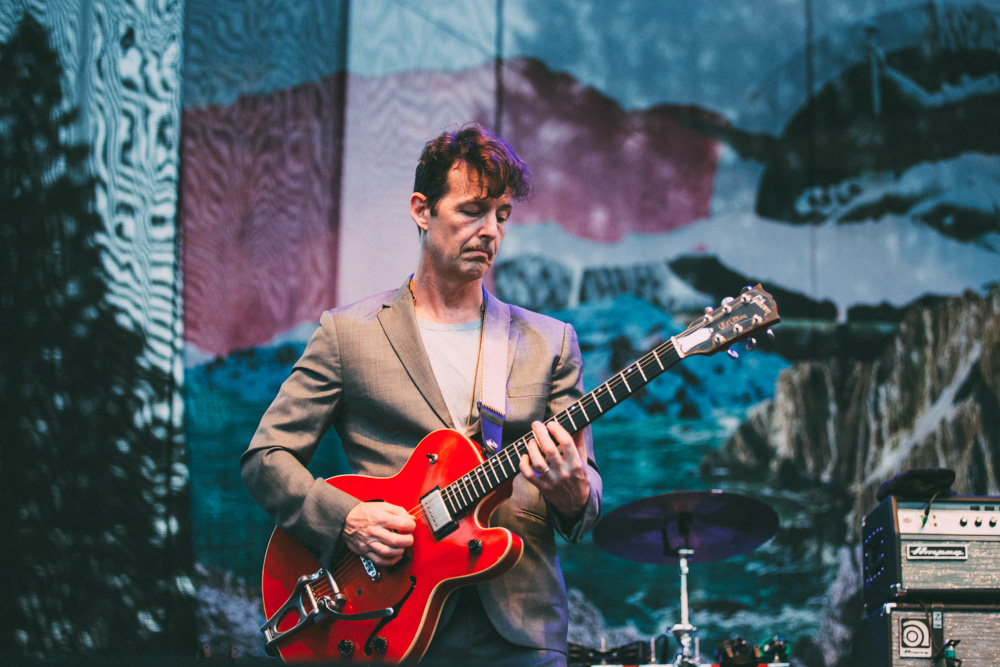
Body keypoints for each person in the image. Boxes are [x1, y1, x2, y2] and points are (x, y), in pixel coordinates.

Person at [241, 123, 602, 665]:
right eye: (472, 210)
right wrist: (346, 519)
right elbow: (266, 459)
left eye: (502, 215)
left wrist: (574, 492)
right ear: (421, 209)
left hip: (518, 633)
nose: (490, 231)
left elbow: (586, 495)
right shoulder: (349, 333)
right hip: (386, 621)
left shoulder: (550, 342)